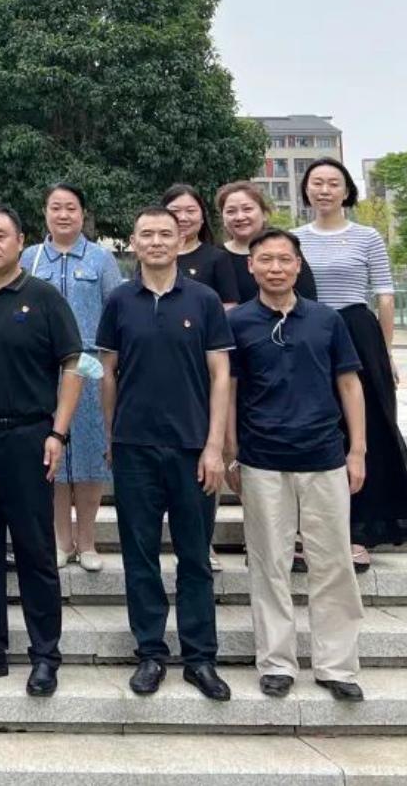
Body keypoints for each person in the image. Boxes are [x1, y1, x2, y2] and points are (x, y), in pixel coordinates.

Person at [96, 206, 233, 701]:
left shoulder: (204, 299)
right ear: (133, 242)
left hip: (193, 448)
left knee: (195, 557)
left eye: (165, 234)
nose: (156, 242)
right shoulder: (119, 300)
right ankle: (150, 653)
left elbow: (221, 376)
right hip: (134, 448)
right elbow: (107, 374)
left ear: (180, 241)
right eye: (147, 234)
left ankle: (200, 657)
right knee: (140, 556)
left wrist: (215, 446)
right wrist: (112, 436)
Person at [226, 228, 367, 702]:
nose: (276, 268)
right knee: (270, 563)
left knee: (334, 563)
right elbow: (229, 391)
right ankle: (277, 662)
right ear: (251, 267)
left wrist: (358, 450)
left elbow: (349, 384)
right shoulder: (237, 323)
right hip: (262, 459)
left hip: (323, 456)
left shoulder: (327, 320)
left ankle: (337, 666)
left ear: (299, 265)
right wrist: (229, 451)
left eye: (284, 259)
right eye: (265, 260)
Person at [0, 205, 82, 697]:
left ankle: (45, 655)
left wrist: (58, 433)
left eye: (0, 235)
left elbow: (74, 364)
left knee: (34, 550)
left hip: (27, 438)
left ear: (20, 240)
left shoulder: (44, 298)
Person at [294, 158, 407, 570]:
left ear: (346, 191)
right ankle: (309, 529)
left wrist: (386, 352)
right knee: (314, 427)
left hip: (357, 331)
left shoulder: (367, 236)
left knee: (366, 427)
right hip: (310, 333)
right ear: (306, 190)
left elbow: (384, 295)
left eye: (333, 183)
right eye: (316, 183)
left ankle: (360, 530)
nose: (324, 190)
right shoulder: (295, 238)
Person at [21, 183, 122, 573]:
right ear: (45, 213)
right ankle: (62, 540)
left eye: (71, 208)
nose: (63, 215)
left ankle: (88, 541)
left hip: (90, 366)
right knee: (55, 455)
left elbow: (114, 311)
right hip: (44, 369)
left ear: (83, 214)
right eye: (56, 208)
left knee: (92, 455)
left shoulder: (100, 259)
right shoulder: (30, 258)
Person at [162, 182, 232, 572]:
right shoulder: (155, 255)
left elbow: (230, 309)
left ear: (203, 216)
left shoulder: (215, 258)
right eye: (175, 211)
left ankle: (203, 542)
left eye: (191, 210)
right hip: (164, 372)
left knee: (207, 457)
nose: (184, 217)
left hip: (205, 364)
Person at [212, 181, 319, 305]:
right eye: (231, 211)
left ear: (264, 214)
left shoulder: (284, 249)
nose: (240, 217)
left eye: (247, 209)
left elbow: (308, 297)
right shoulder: (215, 256)